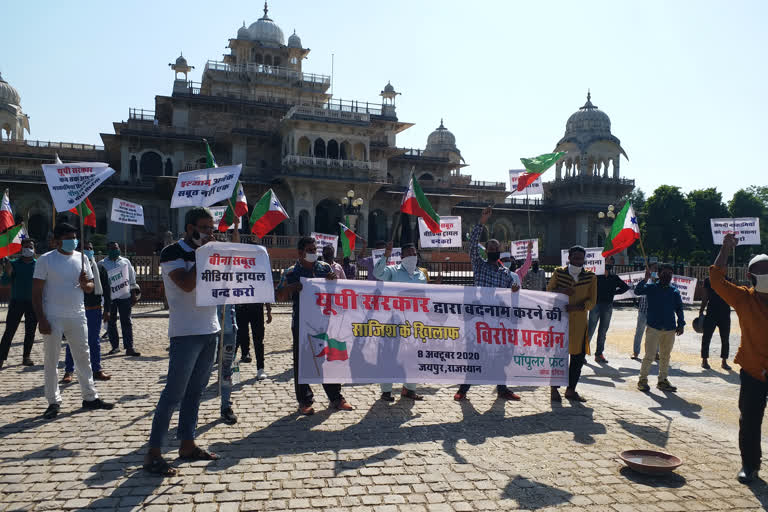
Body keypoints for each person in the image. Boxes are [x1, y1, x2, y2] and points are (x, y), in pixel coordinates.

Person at [144, 207, 221, 476]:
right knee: (173, 395)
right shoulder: (172, 253)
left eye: (212, 228)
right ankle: (154, 453)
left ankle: (187, 445)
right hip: (185, 332)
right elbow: (187, 284)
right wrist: (205, 255)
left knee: (195, 393)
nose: (209, 233)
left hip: (210, 328)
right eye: (204, 228)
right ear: (189, 228)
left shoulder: (209, 250)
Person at [31, 223, 114, 420]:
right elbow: (36, 292)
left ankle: (90, 397)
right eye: (68, 237)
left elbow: (90, 287)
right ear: (57, 240)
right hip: (53, 315)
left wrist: (87, 284)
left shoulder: (82, 258)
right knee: (51, 359)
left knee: (83, 356)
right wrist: (41, 319)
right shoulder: (45, 260)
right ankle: (53, 401)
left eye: (74, 237)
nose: (73, 241)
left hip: (77, 315)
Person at [709, 234, 768, 484]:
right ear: (749, 276)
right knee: (750, 420)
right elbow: (715, 278)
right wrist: (724, 248)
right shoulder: (743, 298)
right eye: (760, 271)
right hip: (753, 371)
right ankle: (750, 465)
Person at [276, 236, 353, 415]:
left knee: (329, 358)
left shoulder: (324, 268)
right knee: (301, 361)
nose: (313, 253)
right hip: (301, 323)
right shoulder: (290, 272)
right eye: (310, 250)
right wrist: (291, 288)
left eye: (314, 250)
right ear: (300, 252)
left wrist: (333, 282)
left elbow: (336, 291)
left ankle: (335, 397)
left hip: (324, 322)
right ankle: (304, 400)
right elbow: (279, 295)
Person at [454, 207, 523, 402]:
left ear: (500, 251)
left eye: (495, 248)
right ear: (487, 251)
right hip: (478, 317)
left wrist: (515, 291)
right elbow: (472, 245)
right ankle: (463, 389)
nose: (493, 251)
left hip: (498, 320)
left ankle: (502, 389)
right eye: (490, 248)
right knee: (476, 353)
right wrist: (481, 222)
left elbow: (513, 294)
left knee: (500, 354)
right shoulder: (479, 266)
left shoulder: (506, 274)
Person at [373, 241, 425, 402]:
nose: (412, 256)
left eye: (414, 253)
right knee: (389, 355)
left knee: (411, 356)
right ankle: (386, 391)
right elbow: (377, 273)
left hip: (413, 323)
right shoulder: (392, 271)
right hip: (392, 320)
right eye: (408, 253)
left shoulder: (421, 275)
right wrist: (386, 255)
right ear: (402, 256)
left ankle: (409, 389)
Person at [547, 245, 597, 402]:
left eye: (581, 258)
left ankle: (571, 389)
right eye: (575, 258)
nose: (578, 261)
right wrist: (561, 291)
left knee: (577, 358)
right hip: (559, 321)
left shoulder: (590, 277)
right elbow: (549, 291)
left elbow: (592, 300)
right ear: (569, 258)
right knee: (558, 357)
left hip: (580, 323)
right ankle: (554, 389)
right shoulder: (559, 273)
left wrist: (579, 307)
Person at [62, 241, 110, 382]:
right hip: (76, 309)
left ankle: (97, 370)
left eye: (90, 248)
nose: (88, 250)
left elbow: (107, 291)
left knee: (94, 342)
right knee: (73, 341)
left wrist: (107, 310)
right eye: (85, 249)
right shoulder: (73, 266)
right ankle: (69, 371)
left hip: (94, 310)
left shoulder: (100, 268)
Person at [635, 263, 685, 393]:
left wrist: (681, 324)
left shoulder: (674, 291)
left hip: (670, 328)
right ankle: (643, 380)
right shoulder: (651, 288)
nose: (667, 276)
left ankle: (662, 380)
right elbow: (637, 291)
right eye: (664, 273)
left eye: (669, 274)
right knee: (649, 355)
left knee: (665, 356)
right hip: (654, 327)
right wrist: (645, 279)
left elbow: (679, 308)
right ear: (658, 274)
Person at [0, 238, 38, 368]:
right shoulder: (13, 264)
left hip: (33, 303)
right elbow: (4, 282)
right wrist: (7, 272)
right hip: (16, 302)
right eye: (26, 246)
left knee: (30, 331)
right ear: (21, 249)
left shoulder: (38, 265)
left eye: (31, 246)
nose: (28, 249)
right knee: (9, 331)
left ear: (34, 249)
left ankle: (26, 357)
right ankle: (1, 357)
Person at [100, 242, 141, 357]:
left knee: (126, 321)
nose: (115, 250)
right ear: (107, 250)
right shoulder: (102, 264)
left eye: (116, 248)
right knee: (111, 322)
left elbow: (132, 279)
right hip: (110, 298)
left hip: (125, 296)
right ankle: (115, 347)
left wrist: (133, 295)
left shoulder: (125, 262)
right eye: (112, 248)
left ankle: (129, 347)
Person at [587, 256, 630, 364]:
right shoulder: (596, 276)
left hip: (607, 306)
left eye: (611, 262)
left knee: (603, 332)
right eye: (607, 261)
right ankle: (582, 354)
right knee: (590, 330)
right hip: (595, 305)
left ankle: (599, 354)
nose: (608, 264)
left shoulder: (614, 277)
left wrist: (613, 293)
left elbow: (625, 287)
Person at [699, 273, 732, 370]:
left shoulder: (728, 280)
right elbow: (705, 297)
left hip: (724, 312)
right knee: (707, 336)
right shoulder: (708, 280)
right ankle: (704, 360)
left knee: (724, 338)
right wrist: (701, 310)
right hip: (712, 312)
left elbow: (731, 295)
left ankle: (724, 361)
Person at [236, 302, 271, 378]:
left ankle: (260, 368)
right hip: (240, 307)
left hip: (256, 308)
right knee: (240, 337)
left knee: (258, 340)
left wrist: (268, 310)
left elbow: (266, 291)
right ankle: (233, 372)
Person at [218, 303, 239, 425]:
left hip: (229, 328)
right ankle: (192, 413)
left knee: (227, 369)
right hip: (206, 327)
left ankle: (225, 406)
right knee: (200, 372)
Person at [632, 262, 658, 359]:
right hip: (643, 309)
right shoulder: (644, 280)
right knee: (639, 331)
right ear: (648, 269)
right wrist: (646, 279)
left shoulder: (658, 281)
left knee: (655, 333)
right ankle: (635, 352)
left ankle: (656, 353)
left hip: (655, 311)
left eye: (656, 269)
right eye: (653, 268)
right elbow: (638, 290)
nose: (655, 270)